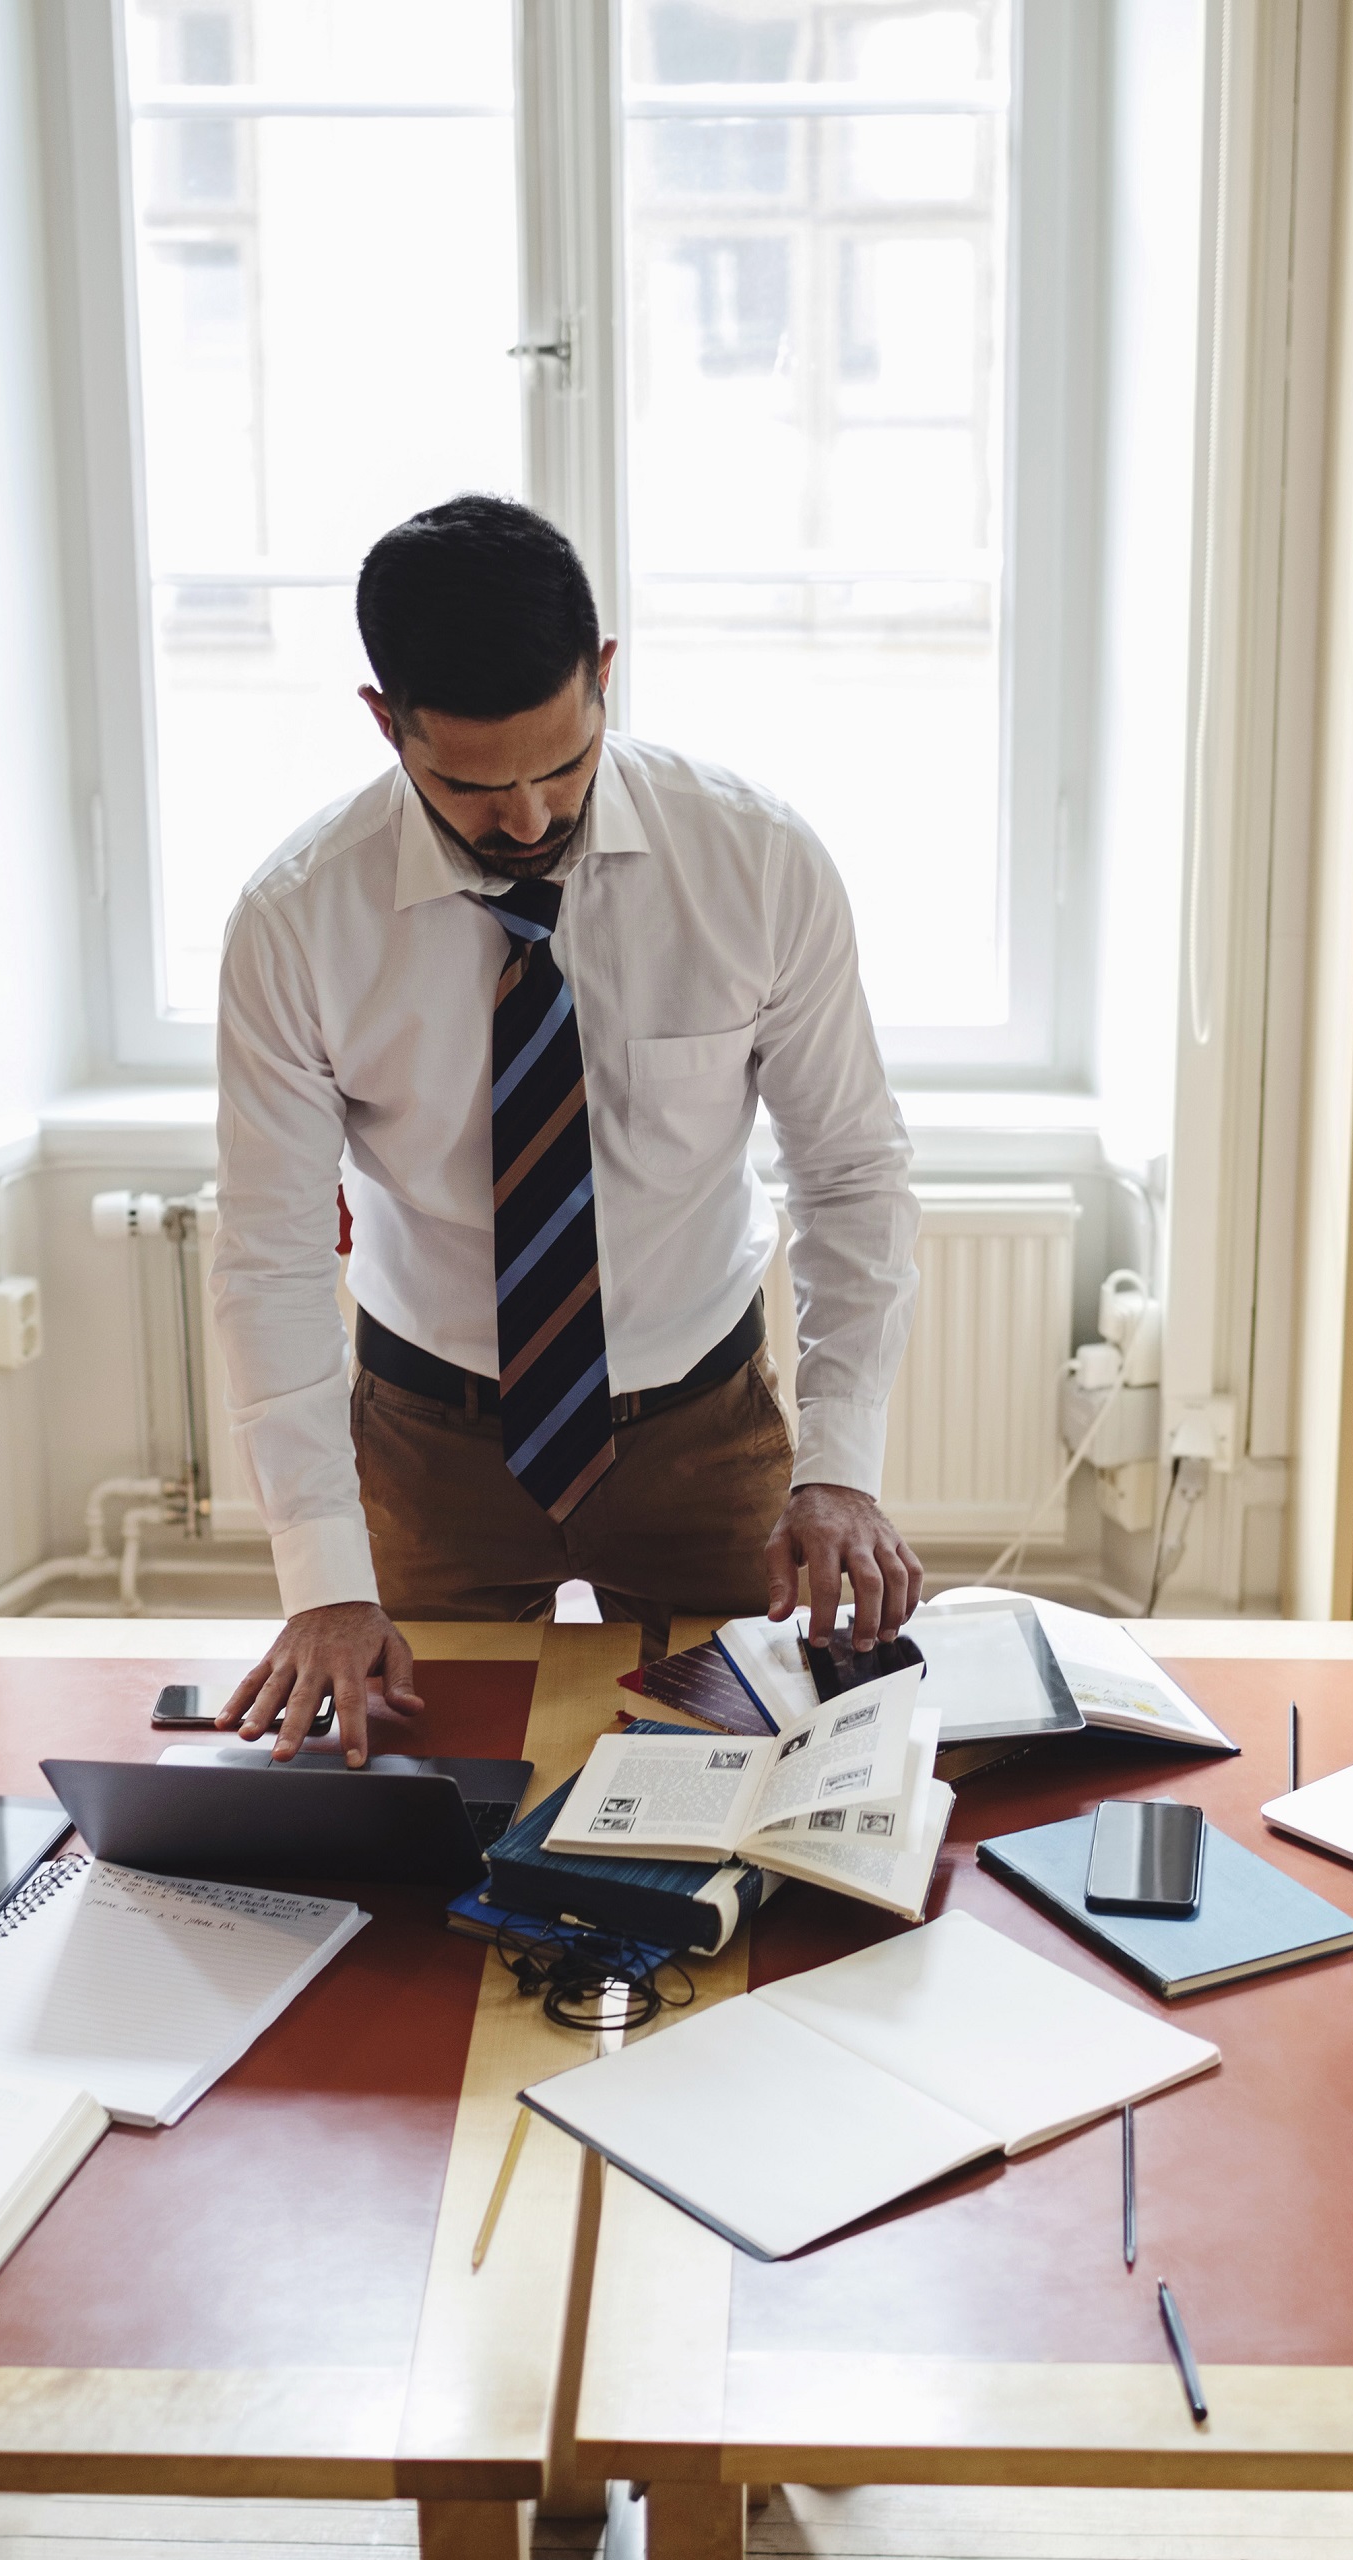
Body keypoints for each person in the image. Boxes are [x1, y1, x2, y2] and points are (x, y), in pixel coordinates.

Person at [209, 495, 924, 1760]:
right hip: (430, 1447)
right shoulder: (297, 921)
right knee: (420, 1807)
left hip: (704, 1432)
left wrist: (842, 1463)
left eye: (563, 765)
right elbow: (266, 1254)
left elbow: (851, 1172)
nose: (529, 819)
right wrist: (324, 1576)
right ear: (387, 723)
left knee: (764, 1781)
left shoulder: (756, 865)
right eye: (473, 786)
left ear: (603, 676)